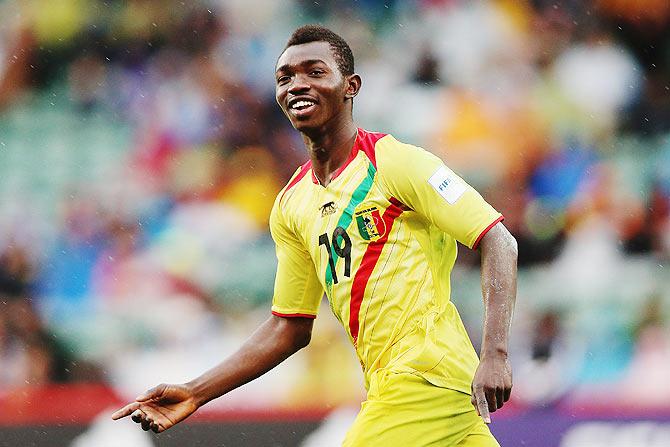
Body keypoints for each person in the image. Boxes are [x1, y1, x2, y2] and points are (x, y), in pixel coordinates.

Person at [112, 25, 517, 446]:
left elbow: (498, 239)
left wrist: (496, 354)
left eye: (315, 72)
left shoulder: (395, 163)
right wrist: (196, 392)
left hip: (425, 375)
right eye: (285, 77)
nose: (297, 84)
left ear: (350, 87)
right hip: (404, 386)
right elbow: (289, 327)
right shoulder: (292, 204)